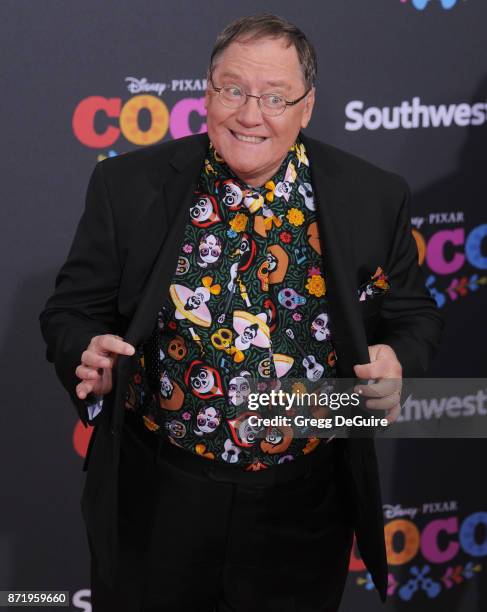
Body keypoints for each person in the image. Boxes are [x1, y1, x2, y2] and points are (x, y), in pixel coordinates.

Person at [39, 13, 444, 612]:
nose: (250, 115)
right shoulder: (128, 186)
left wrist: (397, 359)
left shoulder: (373, 196)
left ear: (306, 107)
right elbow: (71, 312)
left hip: (303, 507)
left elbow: (415, 316)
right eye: (233, 90)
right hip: (160, 498)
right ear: (207, 92)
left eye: (275, 97)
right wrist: (87, 349)